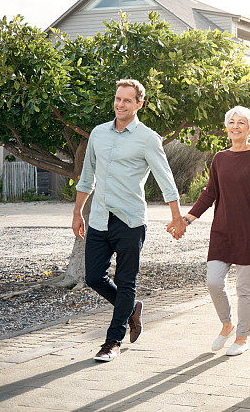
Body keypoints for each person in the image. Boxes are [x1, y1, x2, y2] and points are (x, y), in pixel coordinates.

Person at [73, 79, 186, 363]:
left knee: (125, 281)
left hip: (130, 222)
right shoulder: (98, 134)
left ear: (139, 104)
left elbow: (165, 178)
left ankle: (112, 341)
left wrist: (176, 217)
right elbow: (87, 177)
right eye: (117, 99)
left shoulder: (148, 138)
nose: (120, 104)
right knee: (93, 277)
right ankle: (131, 308)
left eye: (126, 100)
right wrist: (77, 213)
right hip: (99, 218)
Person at [180, 106, 250, 356]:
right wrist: (187, 219)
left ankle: (242, 337)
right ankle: (227, 324)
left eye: (241, 122)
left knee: (245, 287)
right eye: (231, 122)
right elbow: (210, 193)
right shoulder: (220, 158)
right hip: (222, 231)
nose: (235, 126)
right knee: (213, 281)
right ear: (227, 128)